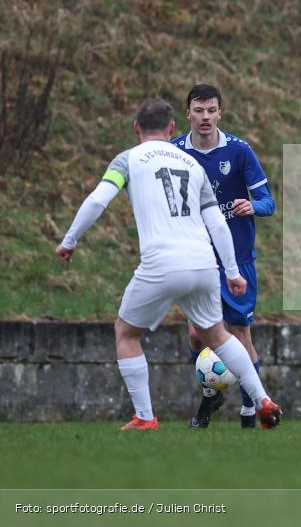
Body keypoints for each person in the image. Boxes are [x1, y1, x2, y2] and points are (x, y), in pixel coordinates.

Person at [55, 98, 282, 430]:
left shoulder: (128, 159)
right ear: (172, 128)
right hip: (204, 263)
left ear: (136, 129)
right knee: (217, 334)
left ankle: (145, 417)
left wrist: (70, 240)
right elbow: (218, 223)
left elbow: (98, 200)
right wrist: (231, 271)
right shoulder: (192, 164)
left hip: (162, 263)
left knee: (126, 333)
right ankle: (262, 399)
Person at [172, 84, 275, 429]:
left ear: (220, 113)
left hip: (237, 257)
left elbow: (268, 202)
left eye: (210, 110)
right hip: (196, 256)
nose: (204, 117)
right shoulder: (175, 154)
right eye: (198, 110)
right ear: (188, 113)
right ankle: (212, 394)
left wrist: (252, 206)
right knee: (195, 335)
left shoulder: (239, 151)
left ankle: (250, 409)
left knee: (239, 334)